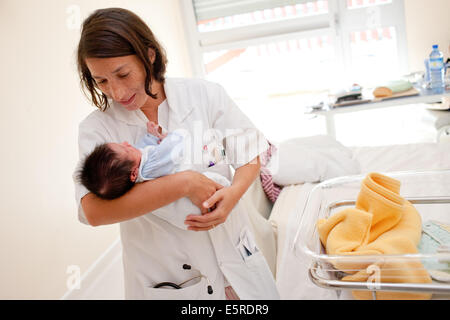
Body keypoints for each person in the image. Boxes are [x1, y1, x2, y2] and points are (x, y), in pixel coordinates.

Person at [73, 7, 279, 300]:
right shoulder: (97, 129)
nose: (117, 92)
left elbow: (249, 153)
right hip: (168, 278)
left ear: (149, 55)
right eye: (102, 81)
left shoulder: (204, 94)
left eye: (122, 74)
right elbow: (93, 211)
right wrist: (183, 183)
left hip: (236, 256)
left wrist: (233, 195)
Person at [78, 120, 231, 230]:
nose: (126, 143)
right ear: (133, 174)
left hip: (187, 217)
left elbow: (142, 149)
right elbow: (170, 150)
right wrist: (173, 136)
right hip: (197, 200)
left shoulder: (134, 171)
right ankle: (224, 179)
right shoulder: (151, 166)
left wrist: (151, 136)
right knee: (209, 160)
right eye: (125, 149)